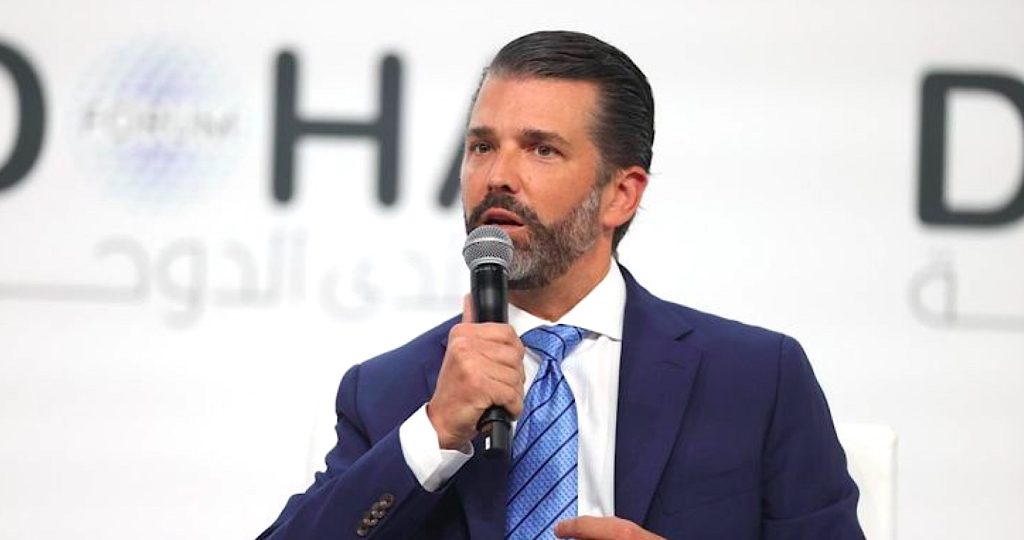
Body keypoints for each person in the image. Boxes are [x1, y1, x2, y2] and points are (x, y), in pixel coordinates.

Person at [258, 30, 863, 540]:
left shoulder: (756, 380)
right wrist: (436, 430)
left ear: (620, 195)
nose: (498, 176)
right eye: (482, 146)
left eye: (541, 150)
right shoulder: (389, 391)